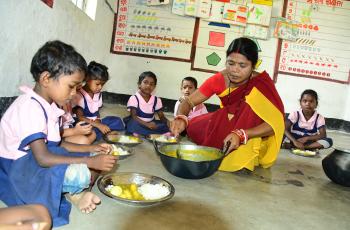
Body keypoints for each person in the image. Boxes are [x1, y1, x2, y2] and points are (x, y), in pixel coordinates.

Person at [0, 41, 117, 227]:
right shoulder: (30, 107)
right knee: (82, 169)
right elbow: (43, 158)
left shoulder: (49, 106)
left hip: (34, 159)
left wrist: (92, 148)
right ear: (46, 79)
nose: (74, 94)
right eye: (71, 86)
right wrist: (89, 161)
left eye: (78, 88)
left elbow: (57, 144)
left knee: (91, 156)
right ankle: (75, 192)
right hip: (18, 168)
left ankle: (74, 193)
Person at [170, 37, 285, 172]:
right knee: (193, 125)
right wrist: (181, 117)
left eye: (242, 65)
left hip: (251, 131)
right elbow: (188, 102)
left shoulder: (261, 84)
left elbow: (276, 125)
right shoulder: (219, 79)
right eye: (230, 63)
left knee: (249, 107)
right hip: (226, 122)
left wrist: (242, 134)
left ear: (253, 66)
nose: (234, 70)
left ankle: (242, 155)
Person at [72, 61, 124, 140]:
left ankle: (102, 133)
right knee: (88, 130)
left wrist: (99, 121)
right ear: (87, 79)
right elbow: (80, 117)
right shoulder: (79, 95)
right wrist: (98, 125)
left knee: (117, 121)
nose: (100, 87)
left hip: (96, 123)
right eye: (97, 84)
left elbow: (97, 112)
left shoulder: (98, 94)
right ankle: (104, 133)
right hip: (85, 123)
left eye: (102, 84)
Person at [124, 71, 170, 136]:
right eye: (145, 82)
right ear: (139, 84)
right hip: (138, 122)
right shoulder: (134, 98)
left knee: (163, 125)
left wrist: (167, 122)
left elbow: (161, 116)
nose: (148, 85)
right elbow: (133, 116)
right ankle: (148, 133)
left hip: (151, 123)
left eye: (151, 84)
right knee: (132, 124)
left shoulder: (156, 100)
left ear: (154, 87)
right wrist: (147, 125)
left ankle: (142, 133)